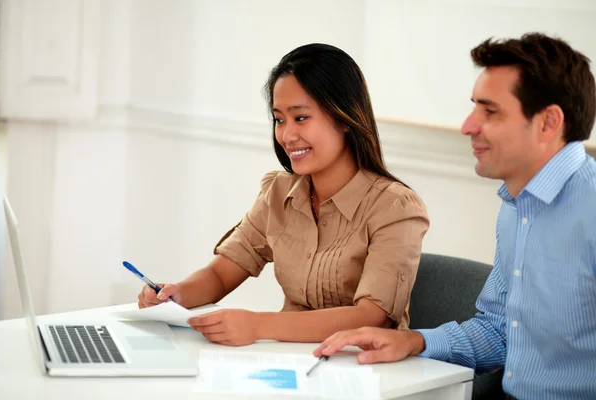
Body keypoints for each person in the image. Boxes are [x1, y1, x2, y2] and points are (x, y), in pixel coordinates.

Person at [314, 33, 596, 399]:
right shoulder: (517, 210)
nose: (468, 126)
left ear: (548, 123)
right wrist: (413, 341)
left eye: (490, 111)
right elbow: (499, 330)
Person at [137, 43, 430, 346]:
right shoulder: (278, 192)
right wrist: (177, 294)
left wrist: (257, 325)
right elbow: (222, 274)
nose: (287, 135)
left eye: (300, 118)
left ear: (344, 118)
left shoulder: (395, 207)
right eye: (279, 119)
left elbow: (371, 317)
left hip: (365, 372)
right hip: (288, 365)